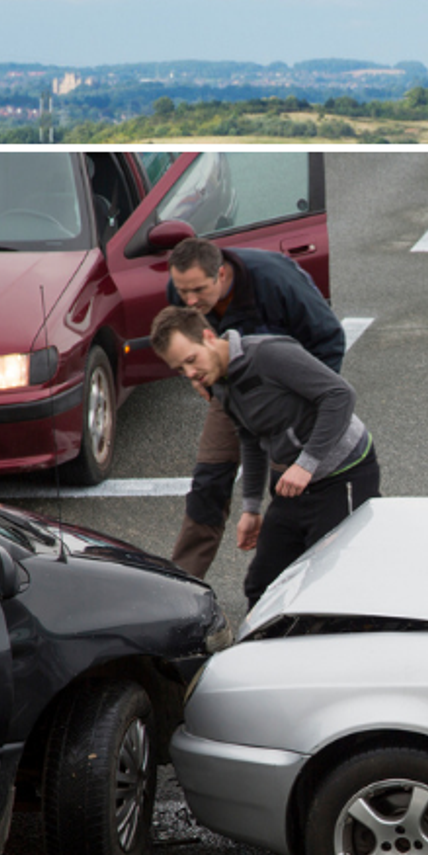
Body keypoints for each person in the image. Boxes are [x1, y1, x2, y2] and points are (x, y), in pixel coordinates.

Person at [149, 304, 379, 607]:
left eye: (191, 360)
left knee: (328, 583)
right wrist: (252, 508)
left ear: (207, 336)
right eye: (181, 369)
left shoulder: (268, 355)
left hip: (343, 474)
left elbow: (340, 394)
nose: (191, 374)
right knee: (262, 584)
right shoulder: (220, 383)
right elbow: (250, 437)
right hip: (294, 483)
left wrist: (306, 464)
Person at [163, 237, 346, 578]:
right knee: (208, 482)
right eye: (181, 290)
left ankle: (302, 585)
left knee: (289, 493)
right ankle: (182, 586)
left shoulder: (276, 281)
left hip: (286, 394)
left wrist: (305, 407)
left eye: (199, 290)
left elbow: (330, 340)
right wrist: (201, 380)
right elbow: (183, 340)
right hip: (230, 391)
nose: (189, 300)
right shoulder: (183, 291)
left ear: (220, 274)